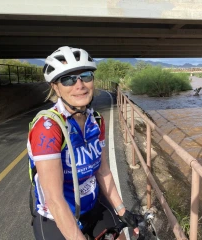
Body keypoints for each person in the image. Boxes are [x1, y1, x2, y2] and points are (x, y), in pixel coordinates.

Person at [27, 46, 141, 240]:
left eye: (86, 76)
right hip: (56, 216)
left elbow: (103, 171)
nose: (79, 85)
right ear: (56, 87)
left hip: (93, 205)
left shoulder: (96, 120)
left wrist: (122, 210)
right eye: (68, 79)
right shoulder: (48, 127)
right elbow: (54, 199)